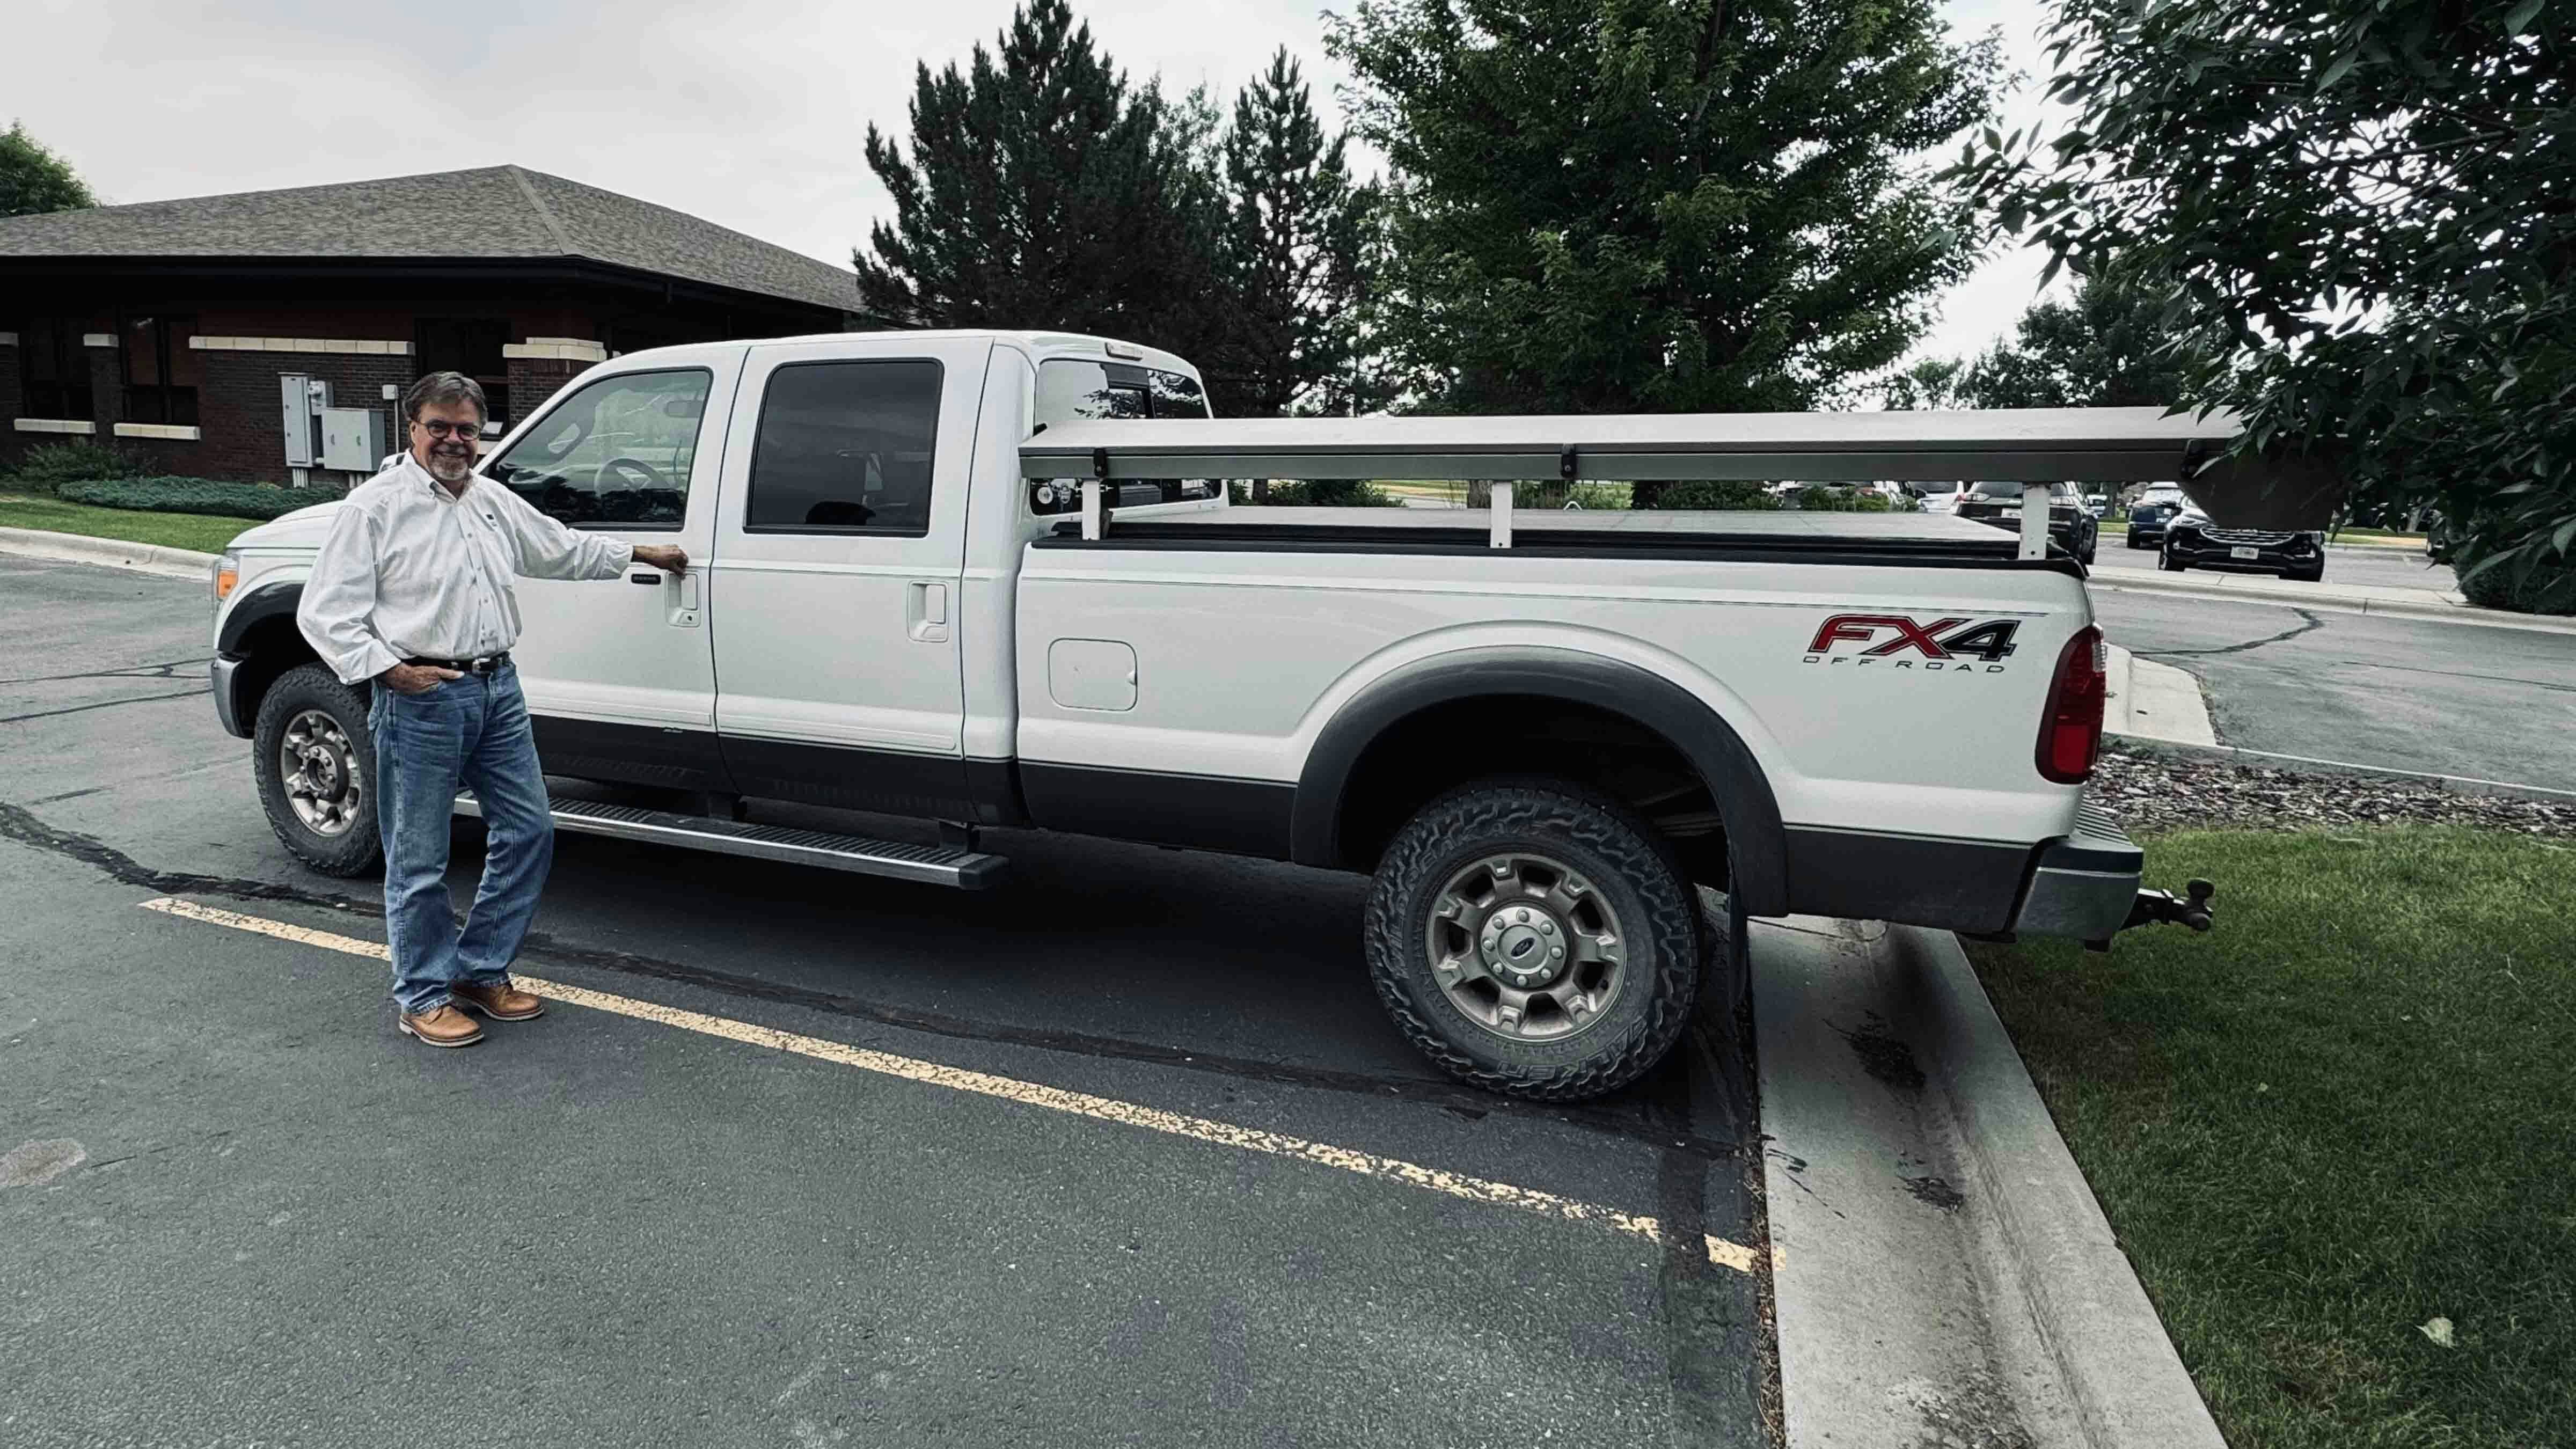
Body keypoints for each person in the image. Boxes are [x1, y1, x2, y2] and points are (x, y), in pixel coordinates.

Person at [297, 370, 689, 1048]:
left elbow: (558, 548)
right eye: (440, 427)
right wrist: (390, 671)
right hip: (422, 697)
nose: (454, 440)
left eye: (467, 430)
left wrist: (642, 553)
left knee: (530, 831)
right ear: (412, 429)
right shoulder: (375, 508)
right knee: (419, 858)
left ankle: (479, 970)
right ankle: (421, 995)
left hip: (497, 691)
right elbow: (325, 612)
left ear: (482, 436)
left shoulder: (490, 500)